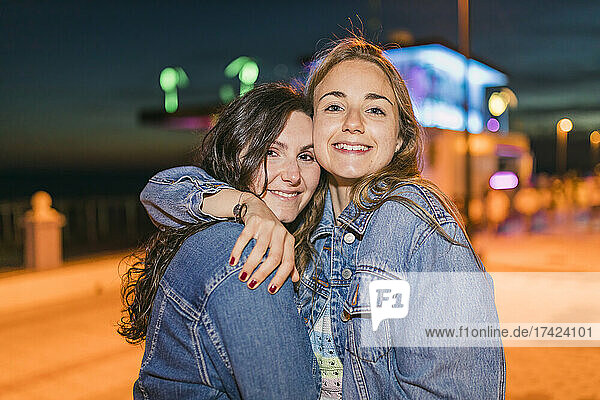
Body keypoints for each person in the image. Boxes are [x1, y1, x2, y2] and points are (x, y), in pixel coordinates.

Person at [141, 37, 506, 399]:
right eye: (334, 107)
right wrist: (247, 205)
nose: (353, 123)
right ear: (314, 127)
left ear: (399, 138)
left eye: (375, 110)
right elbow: (162, 191)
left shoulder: (417, 224)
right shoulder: (306, 223)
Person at [119, 83, 324, 399]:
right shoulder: (251, 257)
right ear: (235, 152)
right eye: (271, 151)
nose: (293, 174)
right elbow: (160, 189)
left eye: (306, 156)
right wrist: (248, 204)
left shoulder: (285, 235)